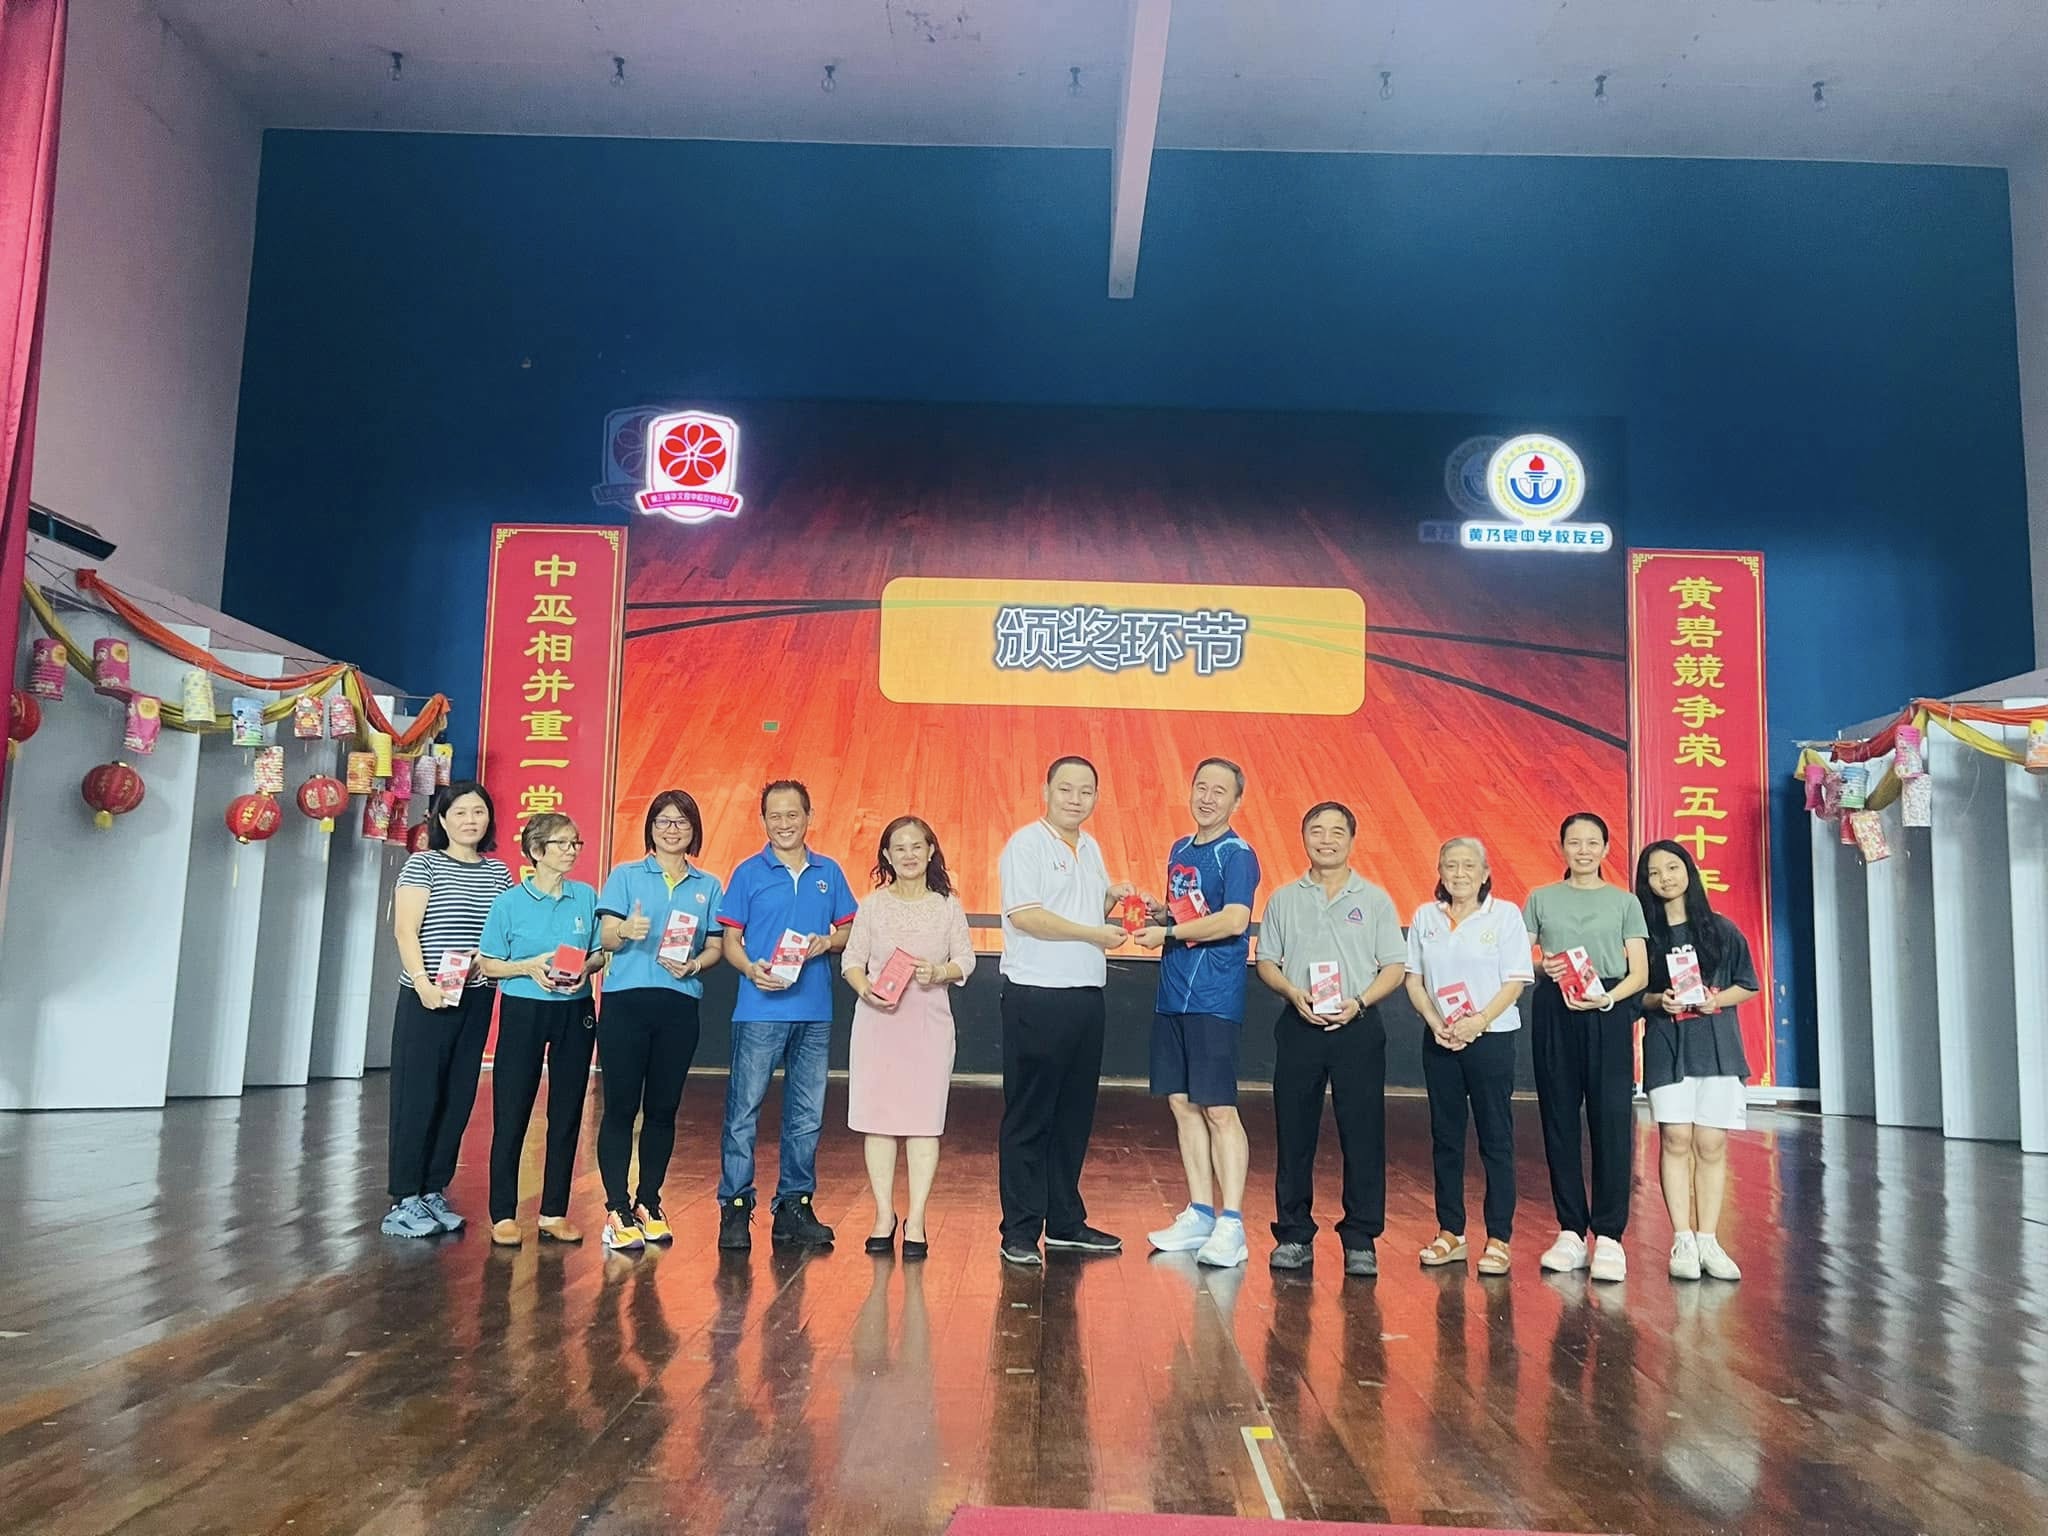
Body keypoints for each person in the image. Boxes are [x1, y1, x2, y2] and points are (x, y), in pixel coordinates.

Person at [1250, 801, 1407, 1276]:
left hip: (1358, 1027)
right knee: (1294, 1133)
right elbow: (1266, 962)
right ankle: (1293, 1234)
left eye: (1337, 832)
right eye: (1317, 830)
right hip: (1299, 1024)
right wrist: (1291, 992)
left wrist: (1359, 1002)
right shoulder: (1283, 899)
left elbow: (1394, 967)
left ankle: (1361, 1238)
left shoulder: (1375, 899)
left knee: (1363, 1134)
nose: (1326, 840)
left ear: (1352, 840)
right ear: (1304, 837)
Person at [996, 755, 1136, 1266]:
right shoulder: (1026, 845)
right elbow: (1027, 916)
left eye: (1085, 792)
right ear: (1046, 791)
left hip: (1086, 995)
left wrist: (1110, 899)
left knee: (1074, 1115)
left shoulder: (1091, 847)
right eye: (1065, 789)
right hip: (1037, 993)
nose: (1075, 800)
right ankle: (1019, 1229)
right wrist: (1094, 931)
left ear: (1096, 797)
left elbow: (1081, 909)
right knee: (1030, 1116)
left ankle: (1064, 1221)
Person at [715, 780, 857, 1251]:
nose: (783, 824)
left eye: (792, 814)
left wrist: (827, 942)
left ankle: (794, 1206)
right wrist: (749, 969)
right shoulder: (748, 872)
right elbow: (730, 941)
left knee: (806, 1115)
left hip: (814, 1012)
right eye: (774, 816)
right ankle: (735, 1206)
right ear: (763, 820)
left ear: (809, 816)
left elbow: (848, 929)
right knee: (743, 1113)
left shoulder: (829, 872)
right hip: (759, 1010)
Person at [1136, 759, 1263, 1268]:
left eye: (1220, 791)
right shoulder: (1180, 850)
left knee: (1218, 1108)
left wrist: (1167, 932)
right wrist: (1161, 912)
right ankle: (1200, 1213)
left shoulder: (1238, 854)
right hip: (1172, 994)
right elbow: (1192, 909)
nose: (1207, 798)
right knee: (1182, 1104)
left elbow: (1233, 919)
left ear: (1236, 801)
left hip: (1213, 997)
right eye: (1201, 788)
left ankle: (1231, 1224)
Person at [592, 790, 725, 1253]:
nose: (672, 829)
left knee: (663, 1109)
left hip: (679, 1006)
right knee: (621, 1107)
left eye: (682, 822)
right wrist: (624, 930)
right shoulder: (626, 875)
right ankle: (617, 1208)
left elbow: (715, 945)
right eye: (664, 821)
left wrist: (695, 965)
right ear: (650, 828)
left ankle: (649, 1200)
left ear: (694, 830)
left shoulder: (709, 885)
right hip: (626, 1004)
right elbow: (606, 936)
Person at [381, 780, 514, 1238]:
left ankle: (434, 1189)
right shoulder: (424, 864)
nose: (470, 820)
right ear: (441, 819)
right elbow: (406, 931)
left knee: (457, 1097)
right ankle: (404, 1198)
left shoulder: (498, 873)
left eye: (478, 812)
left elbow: (503, 932)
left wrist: (486, 959)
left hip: (475, 994)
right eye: (459, 812)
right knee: (417, 1095)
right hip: (427, 995)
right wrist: (421, 982)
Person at [842, 815, 976, 1259]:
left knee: (923, 1124)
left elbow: (966, 960)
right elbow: (852, 960)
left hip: (928, 1024)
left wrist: (939, 971)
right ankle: (884, 1215)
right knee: (878, 1122)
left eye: (917, 846)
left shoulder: (947, 906)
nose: (909, 855)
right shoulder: (873, 905)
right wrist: (866, 990)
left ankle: (916, 1218)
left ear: (931, 851)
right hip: (878, 1023)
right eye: (899, 848)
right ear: (886, 855)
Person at [1525, 811, 1649, 1283]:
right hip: (1555, 1007)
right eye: (1574, 842)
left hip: (1607, 1008)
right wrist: (1545, 968)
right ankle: (1571, 1231)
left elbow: (1639, 972)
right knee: (1558, 1118)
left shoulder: (1625, 903)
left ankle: (1610, 1236)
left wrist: (1609, 999)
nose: (1583, 850)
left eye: (1592, 842)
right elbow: (1521, 959)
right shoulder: (1541, 898)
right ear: (1562, 847)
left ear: (1605, 848)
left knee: (1611, 1119)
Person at [476, 812, 606, 1247]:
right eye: (562, 843)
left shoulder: (585, 897)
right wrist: (528, 968)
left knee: (567, 1114)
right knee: (511, 1111)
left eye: (575, 843)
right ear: (536, 851)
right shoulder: (509, 903)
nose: (571, 850)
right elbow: (489, 963)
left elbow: (597, 953)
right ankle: (503, 1214)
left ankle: (554, 1211)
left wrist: (586, 968)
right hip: (523, 1010)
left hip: (575, 1010)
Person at [1405, 837, 1532, 1277]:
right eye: (1450, 866)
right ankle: (1451, 1232)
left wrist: (1478, 1021)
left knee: (1495, 1137)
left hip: (1491, 1038)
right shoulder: (1425, 916)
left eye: (1468, 866)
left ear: (1485, 873)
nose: (1459, 874)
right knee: (1446, 1137)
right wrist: (1434, 1021)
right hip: (1441, 1038)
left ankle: (1498, 1237)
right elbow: (1414, 979)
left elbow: (1515, 981)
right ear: (1440, 872)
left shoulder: (1505, 915)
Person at [1636, 840, 1759, 1283]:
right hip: (1667, 1046)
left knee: (1710, 1144)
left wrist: (1715, 1000)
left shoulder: (1721, 929)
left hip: (1717, 1047)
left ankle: (1709, 1239)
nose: (1665, 878)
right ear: (1645, 883)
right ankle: (1682, 1239)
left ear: (1689, 871)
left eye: (1672, 868)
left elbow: (1748, 984)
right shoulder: (1644, 936)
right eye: (1654, 873)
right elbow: (1634, 994)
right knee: (1674, 1140)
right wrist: (1659, 1000)